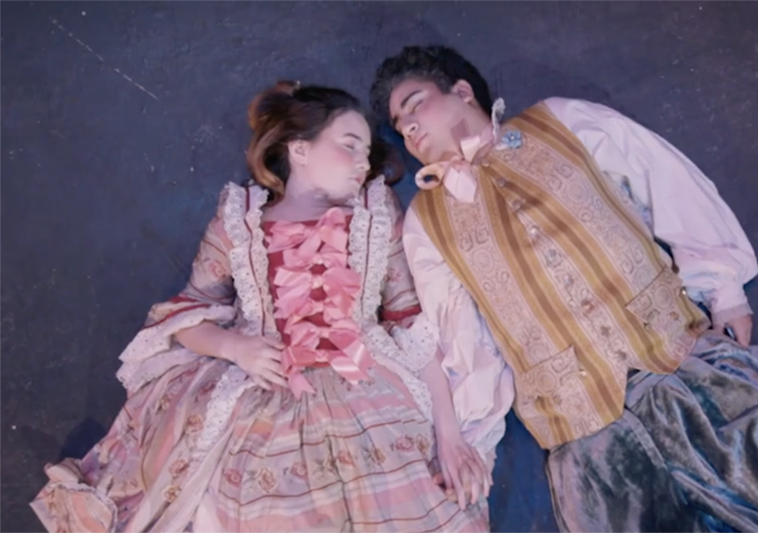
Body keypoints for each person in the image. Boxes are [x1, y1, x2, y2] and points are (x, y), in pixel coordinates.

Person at [30, 81, 510, 532]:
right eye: (348, 144)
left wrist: (449, 436)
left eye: (366, 151)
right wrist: (235, 347)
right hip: (266, 401)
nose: (362, 161)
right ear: (299, 149)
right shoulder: (239, 219)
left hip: (374, 393)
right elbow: (184, 315)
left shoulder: (376, 212)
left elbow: (413, 327)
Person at [370, 45, 758, 532]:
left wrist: (724, 290)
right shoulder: (426, 223)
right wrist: (471, 436)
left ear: (463, 91)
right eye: (400, 125)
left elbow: (662, 178)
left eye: (415, 104)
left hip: (680, 367)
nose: (409, 126)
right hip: (589, 442)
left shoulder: (561, 121)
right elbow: (463, 337)